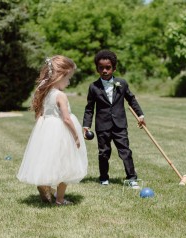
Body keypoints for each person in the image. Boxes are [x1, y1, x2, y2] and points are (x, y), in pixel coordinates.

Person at [17, 55, 87, 205]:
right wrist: (76, 135)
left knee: (50, 160)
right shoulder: (60, 95)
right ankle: (60, 199)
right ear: (60, 76)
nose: (69, 82)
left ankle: (46, 186)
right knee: (66, 164)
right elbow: (66, 119)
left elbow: (41, 114)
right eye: (68, 78)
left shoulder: (46, 93)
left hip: (48, 129)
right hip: (61, 131)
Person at [82, 49, 145, 189]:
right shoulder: (93, 87)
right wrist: (86, 125)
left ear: (114, 68)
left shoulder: (121, 83)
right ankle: (104, 178)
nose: (104, 70)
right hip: (102, 125)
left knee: (125, 151)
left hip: (120, 124)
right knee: (104, 153)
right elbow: (89, 108)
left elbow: (131, 99)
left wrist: (140, 115)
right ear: (97, 69)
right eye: (101, 68)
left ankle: (132, 178)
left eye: (108, 67)